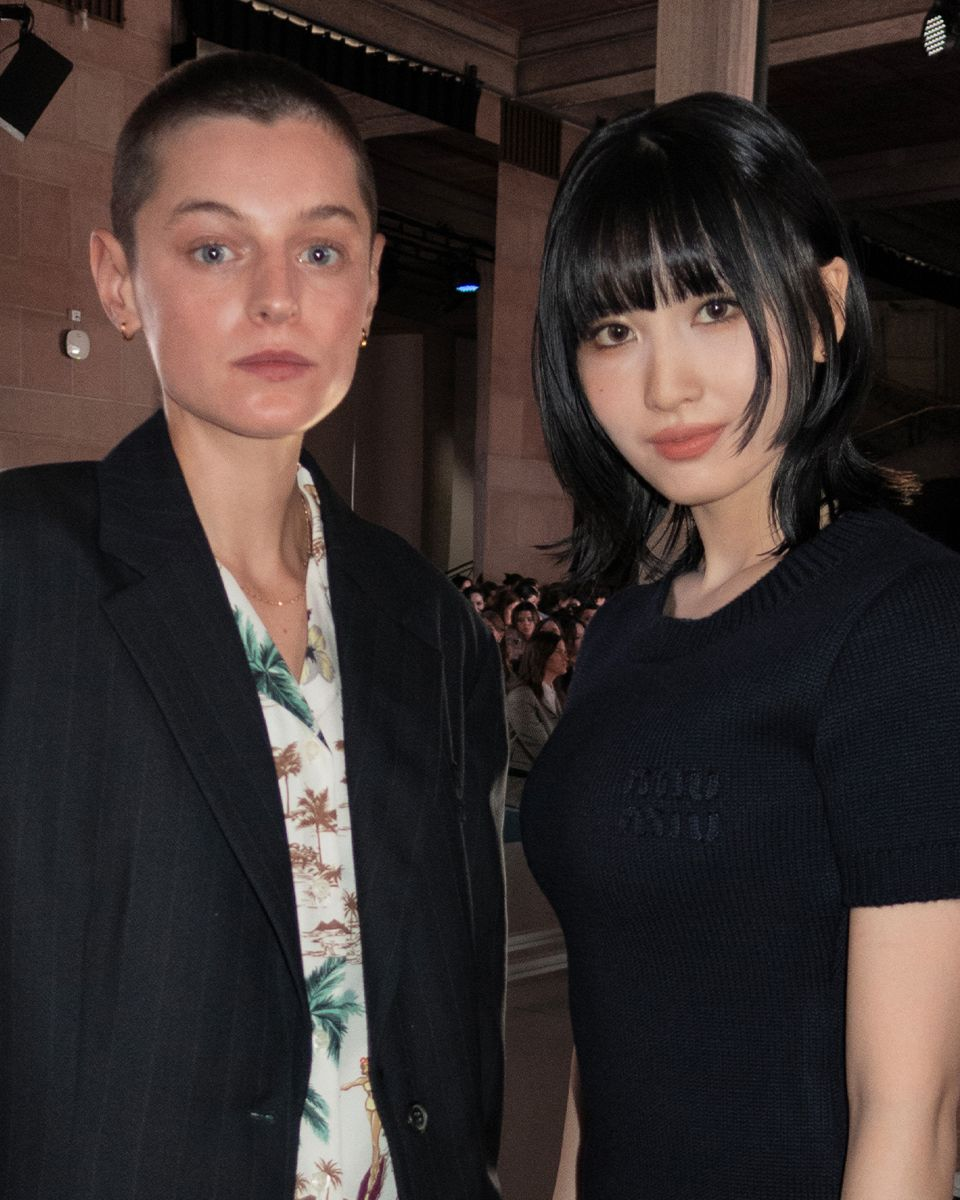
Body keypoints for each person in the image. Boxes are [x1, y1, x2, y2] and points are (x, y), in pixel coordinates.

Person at [0, 52, 506, 1200]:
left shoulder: (426, 618)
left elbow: (455, 992)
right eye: (215, 249)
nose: (277, 297)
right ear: (119, 280)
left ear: (370, 286)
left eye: (320, 251)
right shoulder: (24, 572)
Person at [521, 91, 960, 1200]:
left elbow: (912, 1115)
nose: (665, 385)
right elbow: (604, 1035)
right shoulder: (623, 635)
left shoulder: (904, 622)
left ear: (822, 309)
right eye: (614, 330)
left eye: (713, 307)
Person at [504, 630, 567, 811]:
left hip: (546, 788)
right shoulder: (521, 696)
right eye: (559, 651)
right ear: (542, 655)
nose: (566, 657)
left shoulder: (557, 696)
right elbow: (541, 747)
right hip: (520, 793)